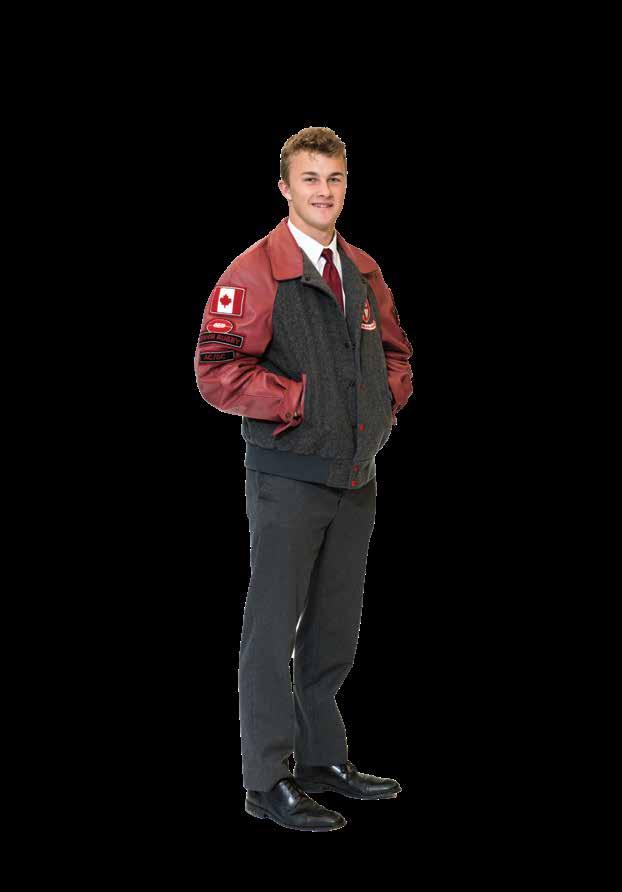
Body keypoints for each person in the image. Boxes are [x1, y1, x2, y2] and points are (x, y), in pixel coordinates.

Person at [194, 126, 414, 831]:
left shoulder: (362, 268)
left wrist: (379, 406)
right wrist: (300, 402)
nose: (325, 191)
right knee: (271, 630)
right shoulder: (255, 271)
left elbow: (396, 354)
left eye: (335, 178)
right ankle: (267, 781)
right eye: (311, 178)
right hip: (288, 477)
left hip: (355, 476)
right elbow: (216, 370)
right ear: (285, 187)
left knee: (334, 628)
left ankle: (322, 761)